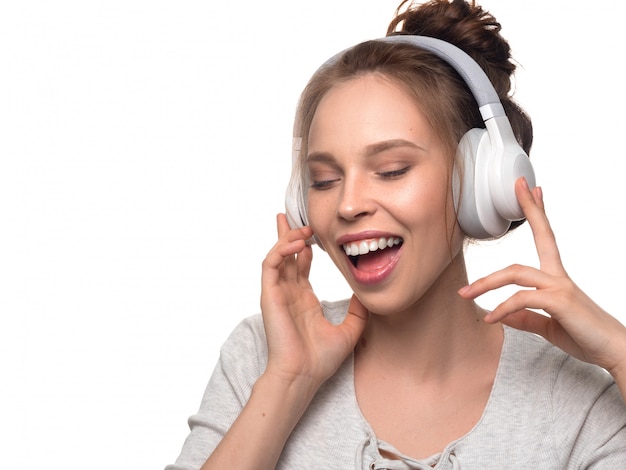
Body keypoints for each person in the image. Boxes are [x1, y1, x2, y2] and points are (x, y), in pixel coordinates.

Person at [166, 0, 626, 468]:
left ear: (477, 182)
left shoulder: (575, 403)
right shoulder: (263, 356)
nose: (347, 204)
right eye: (323, 180)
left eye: (391, 170)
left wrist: (622, 355)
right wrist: (288, 382)